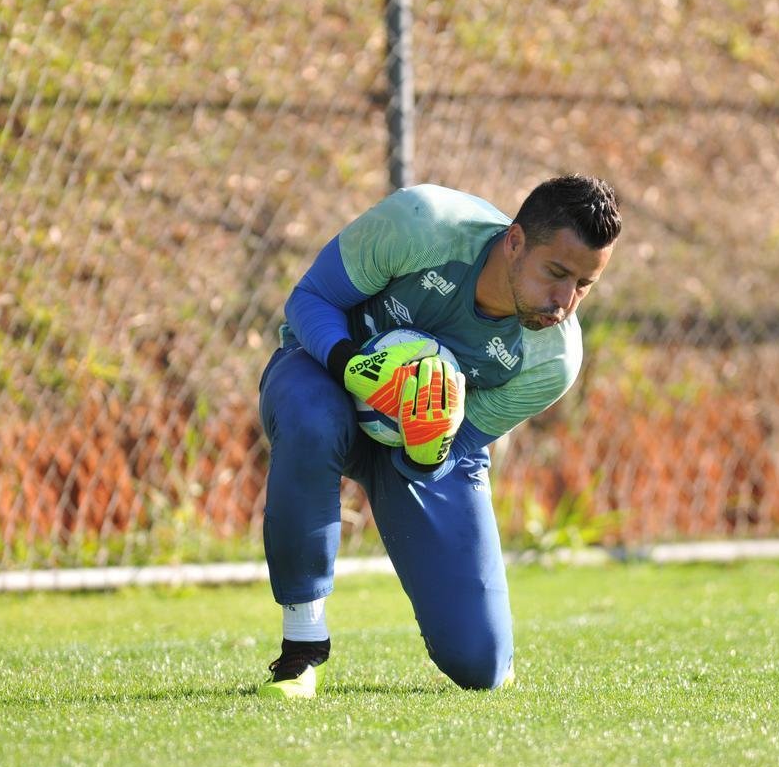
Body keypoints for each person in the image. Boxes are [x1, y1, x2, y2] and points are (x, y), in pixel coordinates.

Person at [257, 174, 621, 698]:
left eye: (584, 286)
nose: (564, 302)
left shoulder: (553, 359)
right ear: (514, 241)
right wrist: (352, 367)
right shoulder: (423, 224)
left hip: (418, 443)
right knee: (312, 417)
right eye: (556, 273)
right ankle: (302, 649)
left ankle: (485, 640)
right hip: (323, 375)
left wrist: (431, 449)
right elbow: (310, 299)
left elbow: (465, 438)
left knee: (482, 667)